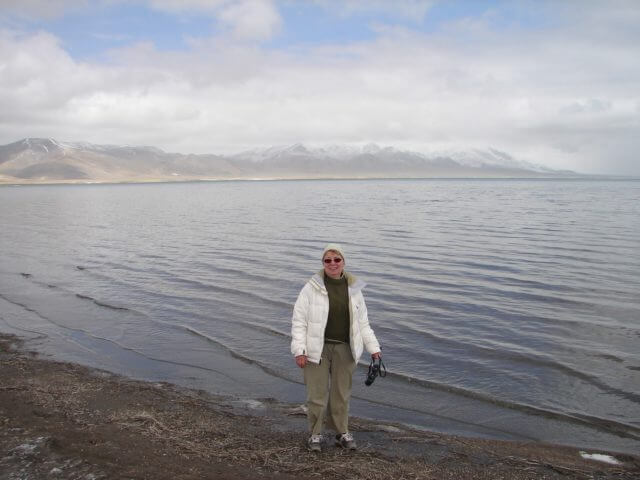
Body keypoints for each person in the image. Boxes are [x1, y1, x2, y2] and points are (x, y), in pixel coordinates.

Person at [291, 243, 381, 452]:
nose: (332, 264)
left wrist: (374, 348)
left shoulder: (354, 289)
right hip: (316, 349)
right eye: (328, 260)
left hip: (345, 349)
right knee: (317, 395)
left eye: (337, 260)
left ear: (343, 262)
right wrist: (300, 350)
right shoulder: (311, 287)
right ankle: (315, 435)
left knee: (341, 394)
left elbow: (363, 323)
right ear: (323, 263)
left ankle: (341, 432)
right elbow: (299, 320)